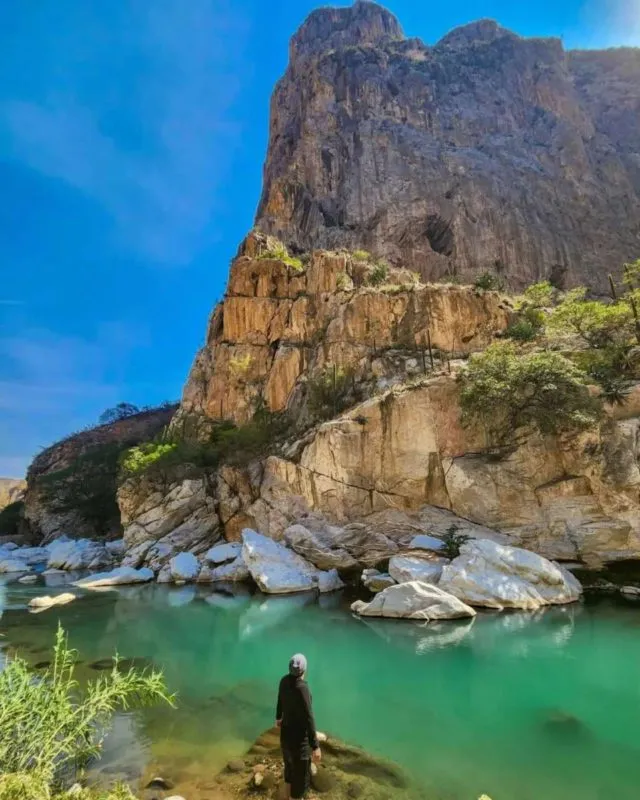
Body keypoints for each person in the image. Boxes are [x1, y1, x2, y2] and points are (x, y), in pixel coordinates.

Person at [276, 653, 321, 800]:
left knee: (289, 773)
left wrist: (278, 718)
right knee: (300, 782)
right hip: (299, 744)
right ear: (304, 670)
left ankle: (287, 797)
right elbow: (309, 717)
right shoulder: (303, 688)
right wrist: (315, 746)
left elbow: (280, 700)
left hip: (285, 739)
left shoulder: (283, 681)